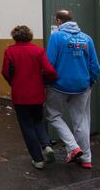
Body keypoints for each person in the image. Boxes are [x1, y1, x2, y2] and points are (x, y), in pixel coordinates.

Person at [45, 10, 100, 169]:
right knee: (81, 121)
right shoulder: (87, 38)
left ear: (58, 21)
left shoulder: (56, 37)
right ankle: (86, 159)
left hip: (59, 86)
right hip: (83, 87)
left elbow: (50, 63)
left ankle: (73, 147)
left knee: (53, 114)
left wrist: (48, 82)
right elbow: (95, 66)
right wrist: (91, 82)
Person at [2, 25, 57, 169]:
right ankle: (46, 145)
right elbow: (50, 70)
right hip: (37, 94)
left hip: (20, 95)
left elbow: (5, 72)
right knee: (38, 121)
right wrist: (47, 81)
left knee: (27, 126)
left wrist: (13, 82)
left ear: (14, 36)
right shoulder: (38, 50)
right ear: (30, 36)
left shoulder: (10, 51)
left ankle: (38, 159)